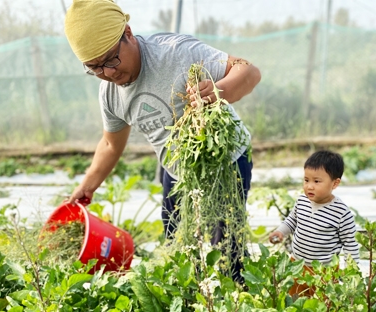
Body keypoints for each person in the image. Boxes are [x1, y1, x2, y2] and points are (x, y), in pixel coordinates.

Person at [63, 0, 260, 281]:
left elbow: (249, 71)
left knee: (227, 245)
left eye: (111, 59)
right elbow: (110, 144)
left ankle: (234, 292)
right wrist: (87, 185)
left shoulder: (176, 54)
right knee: (175, 244)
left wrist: (219, 90)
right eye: (95, 68)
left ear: (128, 34)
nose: (108, 73)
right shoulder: (109, 93)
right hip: (176, 167)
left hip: (226, 159)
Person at [269, 150, 360, 297]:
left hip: (324, 271)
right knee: (294, 300)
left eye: (316, 181)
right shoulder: (302, 201)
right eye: (306, 180)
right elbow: (292, 220)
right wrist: (280, 232)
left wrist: (351, 272)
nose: (309, 186)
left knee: (323, 304)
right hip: (297, 265)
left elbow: (350, 244)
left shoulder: (341, 212)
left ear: (335, 183)